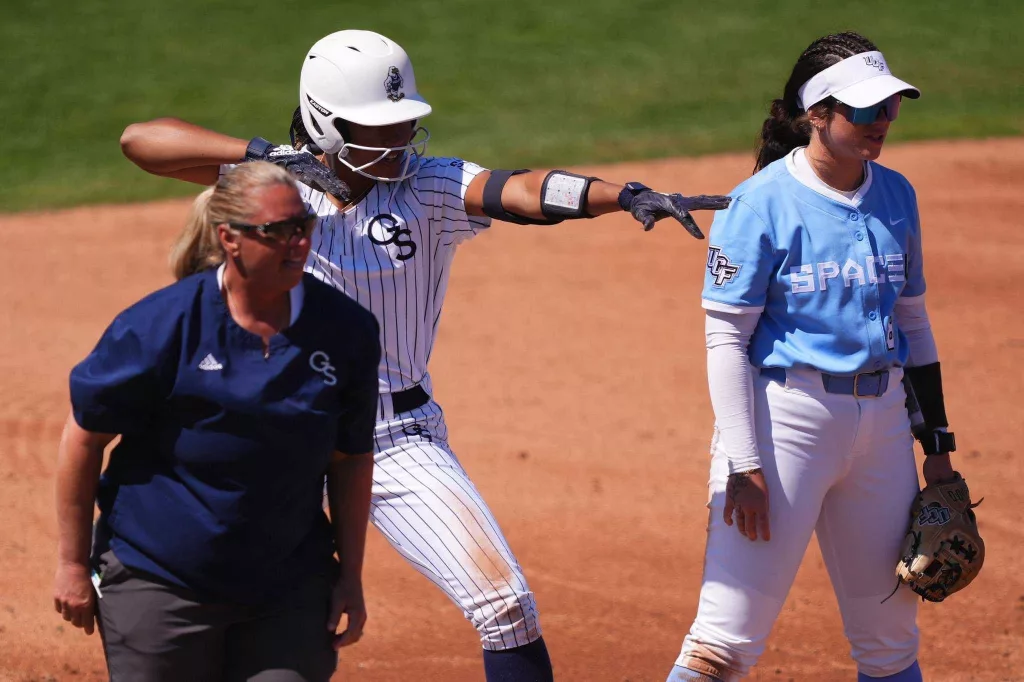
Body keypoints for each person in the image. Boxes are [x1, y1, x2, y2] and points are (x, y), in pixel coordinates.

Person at [119, 29, 731, 682]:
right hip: (279, 433)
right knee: (219, 596)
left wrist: (620, 194)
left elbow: (520, 190)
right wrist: (268, 158)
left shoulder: (427, 188)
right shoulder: (270, 191)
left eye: (406, 124)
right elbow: (142, 141)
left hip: (394, 437)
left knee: (507, 607)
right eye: (380, 129)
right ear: (327, 124)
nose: (401, 141)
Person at [665, 31, 968, 682]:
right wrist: (744, 464)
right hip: (785, 428)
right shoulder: (760, 204)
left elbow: (912, 321)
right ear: (817, 114)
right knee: (724, 643)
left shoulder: (896, 196)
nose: (880, 123)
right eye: (862, 110)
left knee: (890, 644)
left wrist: (937, 446)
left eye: (888, 108)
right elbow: (725, 340)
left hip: (882, 427)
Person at [52, 162, 382, 681]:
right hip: (160, 575)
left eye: (304, 227)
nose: (298, 243)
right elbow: (83, 437)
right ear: (229, 238)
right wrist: (73, 564)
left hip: (287, 583)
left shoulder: (345, 330)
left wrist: (351, 575)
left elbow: (350, 458)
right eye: (278, 232)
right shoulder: (159, 327)